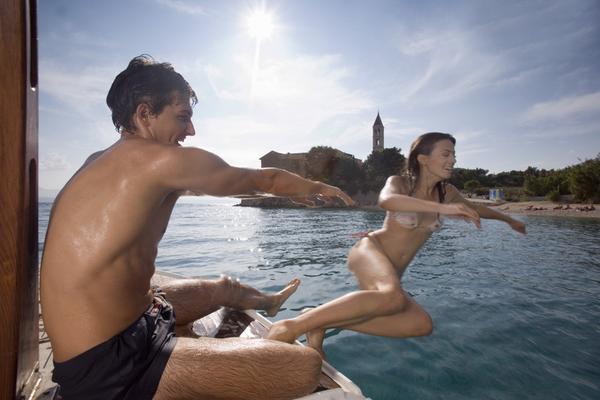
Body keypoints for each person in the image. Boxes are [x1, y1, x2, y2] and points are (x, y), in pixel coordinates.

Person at [40, 55, 354, 400]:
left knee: (222, 289)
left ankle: (271, 301)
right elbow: (267, 178)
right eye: (183, 117)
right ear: (145, 114)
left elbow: (229, 184)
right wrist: (314, 188)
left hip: (138, 320)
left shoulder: (100, 161)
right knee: (304, 367)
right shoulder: (162, 161)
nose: (191, 131)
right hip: (109, 366)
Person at [266, 132, 527, 357]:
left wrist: (509, 220)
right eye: (446, 154)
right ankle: (291, 326)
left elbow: (477, 208)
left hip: (393, 268)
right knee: (390, 297)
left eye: (454, 155)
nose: (453, 160)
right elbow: (388, 201)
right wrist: (439, 208)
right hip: (371, 250)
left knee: (420, 324)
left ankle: (319, 320)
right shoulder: (400, 182)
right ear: (423, 159)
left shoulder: (447, 193)